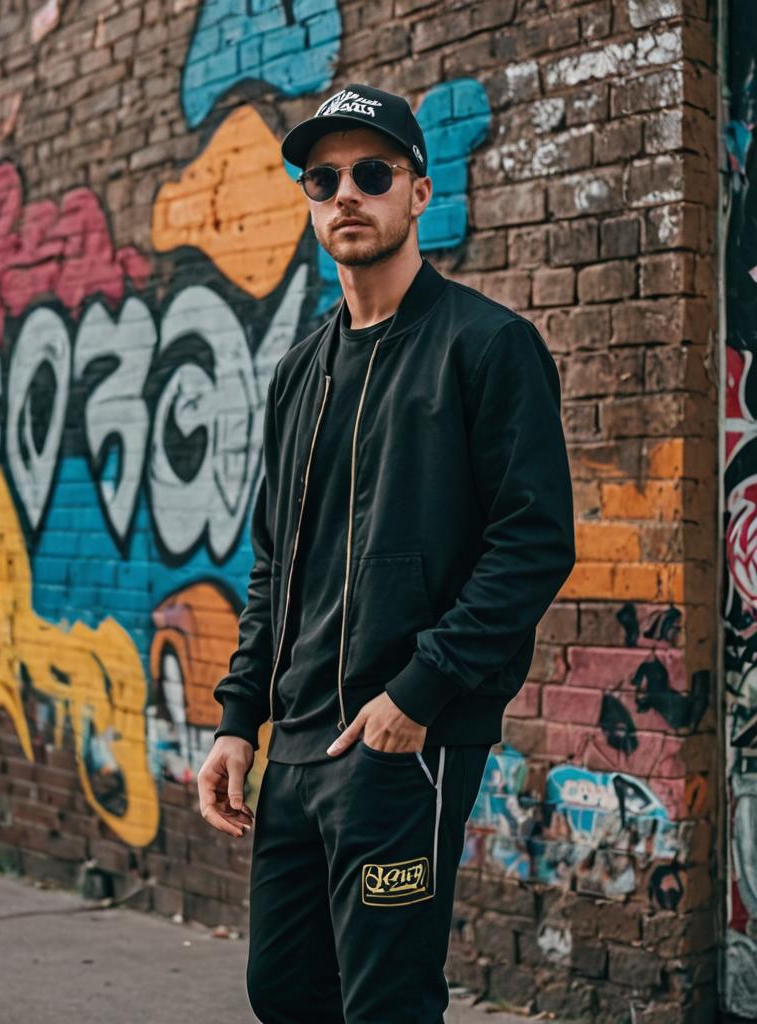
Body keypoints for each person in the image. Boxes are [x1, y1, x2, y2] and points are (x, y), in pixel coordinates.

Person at [197, 83, 576, 1024]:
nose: (346, 195)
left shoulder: (488, 347)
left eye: (372, 172)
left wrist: (421, 691)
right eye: (323, 179)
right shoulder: (298, 373)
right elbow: (276, 562)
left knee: (385, 1002)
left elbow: (533, 544)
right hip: (296, 747)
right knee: (282, 989)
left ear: (418, 191)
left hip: (402, 740)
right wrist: (240, 720)